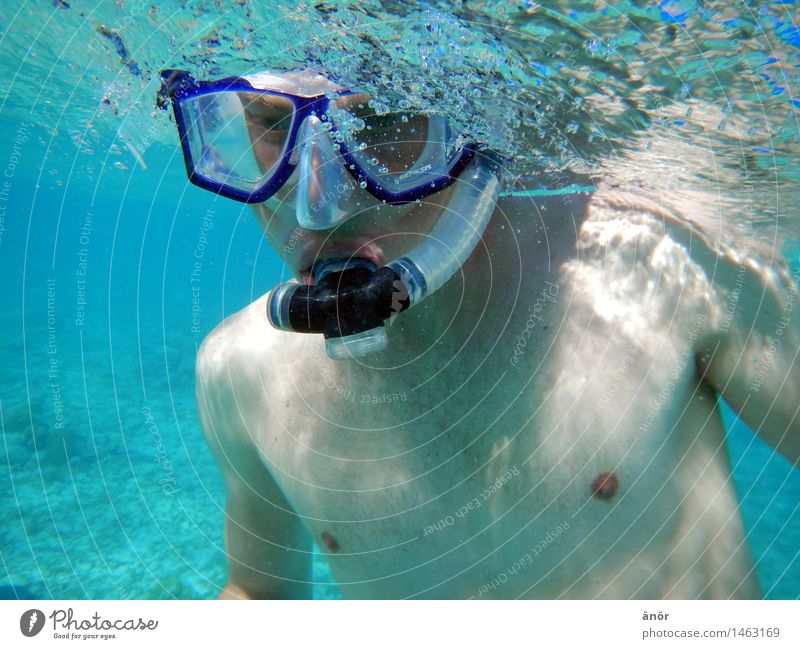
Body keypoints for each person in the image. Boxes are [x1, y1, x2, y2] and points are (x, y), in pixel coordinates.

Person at [162, 68, 799, 599]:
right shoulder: (237, 371)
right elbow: (258, 596)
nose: (316, 201)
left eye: (379, 121)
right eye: (271, 125)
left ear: (460, 126)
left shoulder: (652, 265)